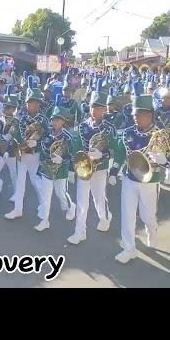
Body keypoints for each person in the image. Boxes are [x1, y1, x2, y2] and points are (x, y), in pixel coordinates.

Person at [109, 94, 170, 264]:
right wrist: (114, 172)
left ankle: (152, 229)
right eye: (135, 115)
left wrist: (164, 161)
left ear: (150, 115)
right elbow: (121, 153)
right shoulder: (128, 132)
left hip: (150, 181)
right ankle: (129, 248)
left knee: (147, 216)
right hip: (130, 178)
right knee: (127, 215)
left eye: (140, 115)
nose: (136, 118)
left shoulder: (160, 134)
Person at [68, 85, 116, 245]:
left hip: (100, 168)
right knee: (82, 201)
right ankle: (80, 232)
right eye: (93, 106)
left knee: (98, 198)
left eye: (99, 107)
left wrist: (102, 155)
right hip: (83, 167)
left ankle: (104, 217)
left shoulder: (109, 128)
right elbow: (76, 148)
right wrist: (71, 168)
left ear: (104, 110)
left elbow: (114, 149)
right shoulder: (82, 126)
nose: (95, 110)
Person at [5, 87, 48, 220]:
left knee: (36, 182)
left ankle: (44, 206)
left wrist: (37, 144)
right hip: (22, 155)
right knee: (20, 182)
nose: (33, 105)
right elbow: (16, 135)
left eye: (36, 102)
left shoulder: (43, 120)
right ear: (26, 103)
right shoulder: (21, 119)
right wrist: (14, 148)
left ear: (39, 104)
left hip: (35, 155)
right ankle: (18, 209)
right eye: (31, 102)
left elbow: (48, 139)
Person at [35, 103, 75, 231]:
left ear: (63, 121)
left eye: (58, 120)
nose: (55, 122)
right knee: (46, 196)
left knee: (60, 194)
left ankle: (71, 207)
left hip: (61, 171)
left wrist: (62, 159)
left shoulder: (68, 137)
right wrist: (40, 167)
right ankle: (44, 220)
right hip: (47, 169)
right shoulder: (46, 134)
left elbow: (72, 155)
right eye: (53, 119)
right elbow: (42, 151)